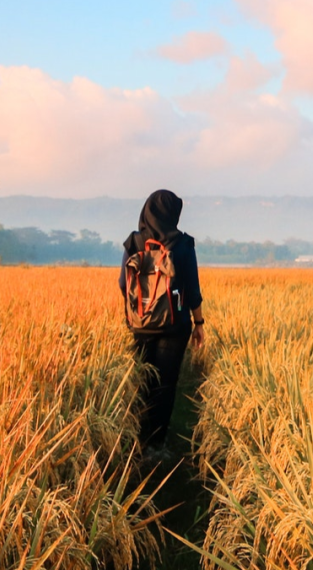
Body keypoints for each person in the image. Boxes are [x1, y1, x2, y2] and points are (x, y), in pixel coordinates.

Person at [119, 189, 205, 453]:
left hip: (140, 323)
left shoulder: (133, 242)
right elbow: (192, 287)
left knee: (143, 380)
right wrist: (199, 323)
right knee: (165, 384)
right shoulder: (182, 244)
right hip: (174, 325)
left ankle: (136, 438)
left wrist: (139, 308)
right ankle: (156, 444)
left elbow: (124, 283)